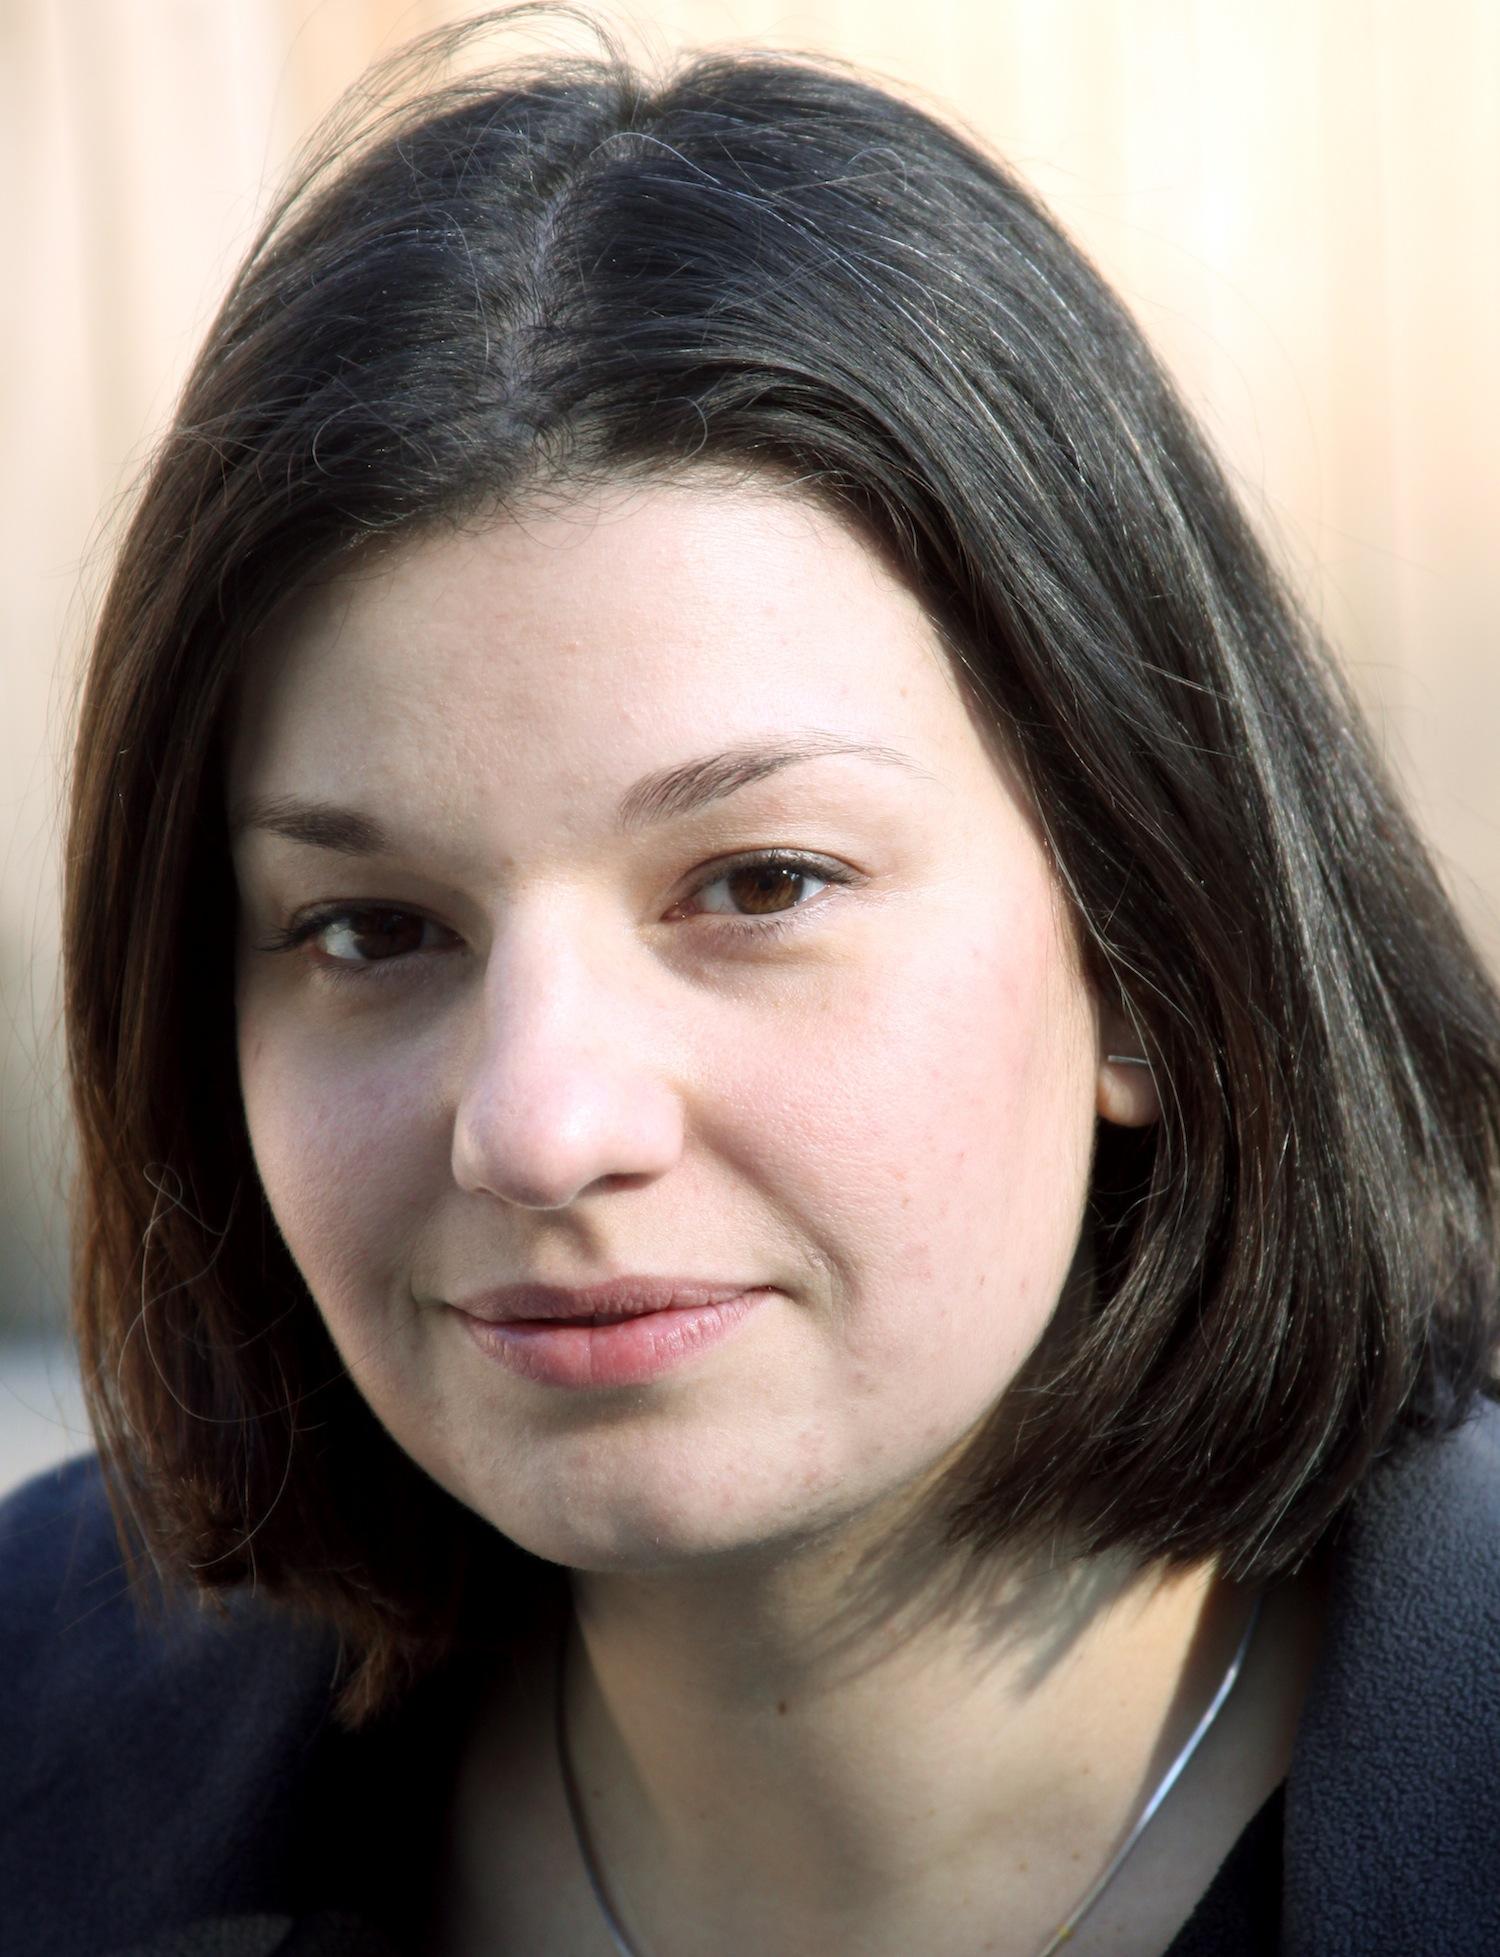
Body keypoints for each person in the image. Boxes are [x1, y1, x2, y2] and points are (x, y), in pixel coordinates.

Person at [5, 11, 1500, 1955]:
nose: (542, 1122)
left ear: (1147, 945)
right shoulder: (43, 1753)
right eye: (370, 929)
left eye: (757, 882)